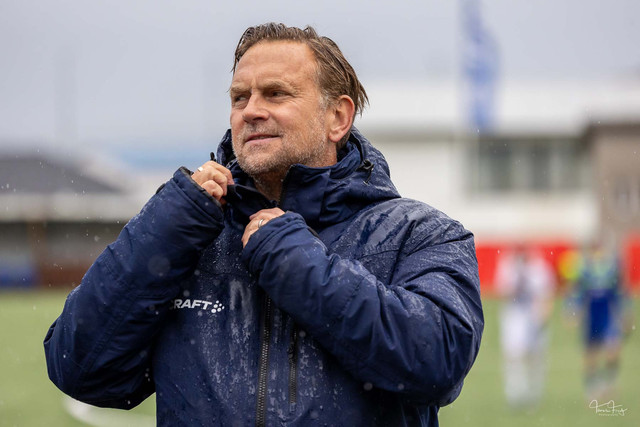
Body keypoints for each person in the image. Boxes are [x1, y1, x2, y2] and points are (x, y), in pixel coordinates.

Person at [44, 23, 483, 426]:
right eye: (240, 97)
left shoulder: (421, 234)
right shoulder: (188, 234)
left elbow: (438, 362)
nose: (251, 111)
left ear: (338, 118)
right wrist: (167, 227)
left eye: (275, 94)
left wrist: (292, 258)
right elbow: (80, 369)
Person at [565, 241, 630, 402]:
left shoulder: (612, 269)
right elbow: (577, 293)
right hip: (592, 317)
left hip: (608, 317)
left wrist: (625, 314)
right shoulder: (585, 270)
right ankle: (591, 388)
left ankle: (610, 383)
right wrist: (572, 312)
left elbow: (620, 293)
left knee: (612, 351)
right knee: (591, 354)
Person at [494, 245, 555, 410]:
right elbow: (502, 292)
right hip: (514, 316)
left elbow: (547, 293)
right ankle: (515, 393)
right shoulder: (508, 266)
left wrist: (543, 315)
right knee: (514, 355)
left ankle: (534, 394)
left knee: (535, 356)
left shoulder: (539, 267)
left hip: (534, 315)